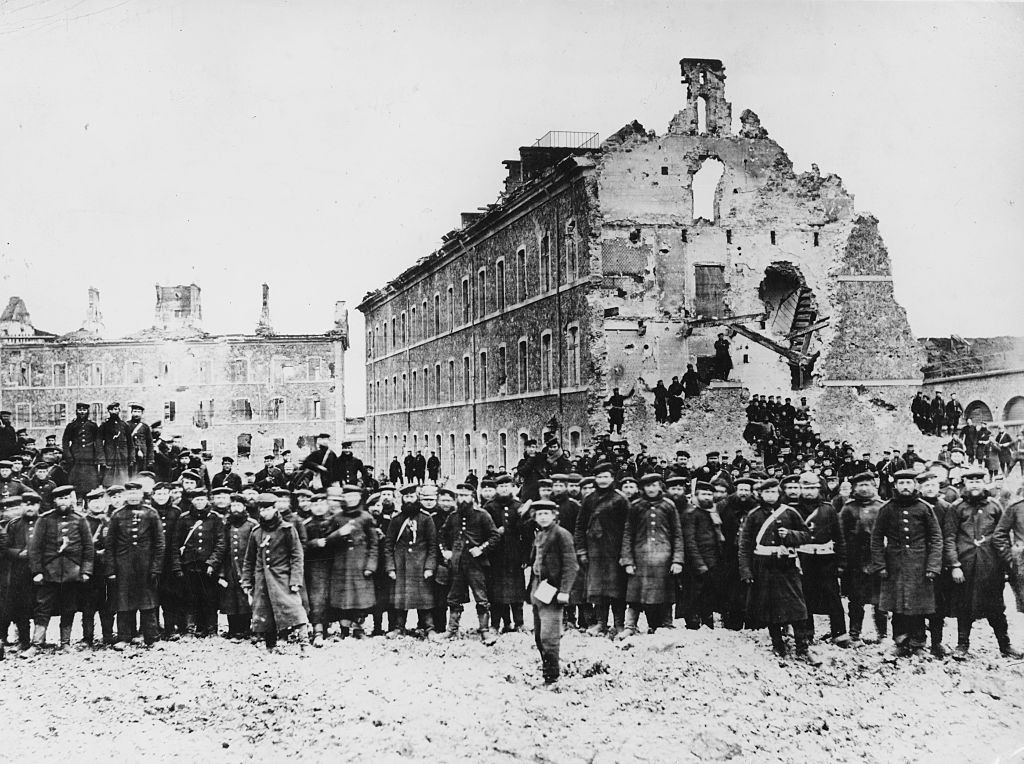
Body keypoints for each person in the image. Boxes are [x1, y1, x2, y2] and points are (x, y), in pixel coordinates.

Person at [738, 479, 816, 662]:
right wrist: (746, 571)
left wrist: (790, 535)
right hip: (764, 567)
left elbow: (806, 535)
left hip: (787, 567)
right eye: (766, 492)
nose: (770, 495)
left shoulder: (790, 512)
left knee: (797, 606)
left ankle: (802, 647)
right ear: (760, 495)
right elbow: (745, 546)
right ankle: (777, 644)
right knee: (770, 608)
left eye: (773, 492)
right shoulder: (754, 515)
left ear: (778, 493)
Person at [947, 469, 1021, 660]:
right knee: (965, 606)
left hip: (991, 567)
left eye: (978, 481)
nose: (974, 484)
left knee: (996, 607)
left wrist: (1006, 565)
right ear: (964, 483)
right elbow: (949, 537)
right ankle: (962, 645)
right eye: (970, 481)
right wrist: (954, 564)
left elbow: (1004, 534)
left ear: (984, 482)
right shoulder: (957, 508)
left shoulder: (994, 506)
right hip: (965, 566)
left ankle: (1005, 646)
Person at [868, 470, 942, 659]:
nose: (905, 487)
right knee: (897, 605)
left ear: (915, 485)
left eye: (909, 483)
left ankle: (918, 643)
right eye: (901, 483)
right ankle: (900, 642)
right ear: (895, 486)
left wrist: (933, 566)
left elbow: (936, 537)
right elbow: (876, 539)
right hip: (894, 565)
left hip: (920, 564)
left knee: (918, 606)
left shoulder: (924, 508)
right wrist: (880, 565)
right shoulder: (887, 509)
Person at [28, 485, 94, 653]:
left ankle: (65, 643)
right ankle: (36, 644)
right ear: (54, 501)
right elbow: (35, 549)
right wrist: (37, 571)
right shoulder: (44, 519)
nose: (63, 502)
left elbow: (88, 548)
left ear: (70, 500)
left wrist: (85, 570)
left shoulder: (80, 519)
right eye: (60, 499)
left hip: (72, 572)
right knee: (43, 607)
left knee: (69, 607)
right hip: (49, 571)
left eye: (66, 498)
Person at [618, 473, 683, 637]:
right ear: (643, 488)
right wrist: (627, 560)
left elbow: (677, 534)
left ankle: (666, 625)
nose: (652, 489)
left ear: (660, 486)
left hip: (664, 559)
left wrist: (677, 560)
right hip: (641, 559)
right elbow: (627, 534)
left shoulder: (669, 506)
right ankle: (630, 627)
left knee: (665, 594)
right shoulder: (636, 506)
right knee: (635, 594)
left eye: (655, 485)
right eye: (648, 486)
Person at [242, 494, 309, 652]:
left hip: (283, 577)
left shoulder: (287, 529)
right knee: (265, 610)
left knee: (294, 608)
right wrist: (246, 581)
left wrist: (295, 580)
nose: (264, 513)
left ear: (274, 509)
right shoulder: (256, 532)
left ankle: (304, 643)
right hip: (262, 579)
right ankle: (270, 646)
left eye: (268, 509)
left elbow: (297, 556)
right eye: (262, 509)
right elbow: (249, 559)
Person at [438, 483, 500, 644]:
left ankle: (484, 631)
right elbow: (441, 536)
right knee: (454, 597)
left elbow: (494, 536)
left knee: (481, 597)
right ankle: (451, 630)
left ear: (472, 497)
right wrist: (446, 551)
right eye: (460, 496)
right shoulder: (453, 516)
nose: (462, 499)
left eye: (466, 495)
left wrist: (481, 549)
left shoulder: (482, 515)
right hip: (457, 563)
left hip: (476, 564)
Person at [574, 463, 630, 637]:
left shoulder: (620, 499)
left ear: (612, 478)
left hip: (615, 551)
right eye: (599, 477)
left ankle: (619, 624)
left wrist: (625, 553)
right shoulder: (589, 499)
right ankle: (601, 624)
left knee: (617, 590)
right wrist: (582, 550)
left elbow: (629, 528)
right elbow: (580, 526)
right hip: (595, 551)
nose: (603, 480)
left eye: (606, 476)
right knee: (598, 590)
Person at [795, 472, 850, 647]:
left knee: (833, 595)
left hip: (826, 559)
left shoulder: (828, 509)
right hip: (803, 559)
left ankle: (839, 633)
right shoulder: (793, 509)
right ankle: (806, 634)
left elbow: (839, 537)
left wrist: (841, 562)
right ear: (801, 489)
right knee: (804, 596)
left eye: (813, 488)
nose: (809, 492)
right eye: (806, 488)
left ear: (819, 489)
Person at [107, 482, 165, 648]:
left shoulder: (151, 513)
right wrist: (111, 569)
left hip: (145, 566)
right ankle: (124, 637)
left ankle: (151, 638)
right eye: (130, 493)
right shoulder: (117, 515)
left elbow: (160, 543)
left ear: (141, 494)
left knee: (148, 603)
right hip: (123, 566)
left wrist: (156, 567)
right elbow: (110, 545)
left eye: (136, 493)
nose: (133, 496)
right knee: (123, 602)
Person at [527, 499, 578, 685]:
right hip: (539, 591)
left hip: (554, 592)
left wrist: (564, 591)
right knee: (539, 636)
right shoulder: (540, 534)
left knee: (549, 637)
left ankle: (552, 677)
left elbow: (571, 566)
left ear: (554, 515)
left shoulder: (562, 535)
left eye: (546, 513)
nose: (542, 517)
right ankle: (547, 671)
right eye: (539, 514)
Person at [839, 472, 888, 643]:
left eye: (867, 484)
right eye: (860, 485)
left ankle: (882, 635)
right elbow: (841, 535)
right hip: (855, 561)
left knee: (880, 600)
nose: (864, 488)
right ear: (854, 488)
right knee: (855, 599)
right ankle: (854, 633)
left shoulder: (882, 507)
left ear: (874, 486)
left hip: (878, 559)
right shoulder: (848, 508)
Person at [384, 484, 438, 637]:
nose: (409, 500)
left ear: (417, 498)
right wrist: (390, 568)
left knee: (424, 599)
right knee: (401, 599)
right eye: (406, 497)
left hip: (420, 566)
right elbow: (388, 545)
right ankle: (398, 628)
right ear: (402, 499)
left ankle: (429, 628)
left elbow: (433, 546)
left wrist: (429, 567)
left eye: (412, 497)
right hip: (401, 565)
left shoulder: (426, 519)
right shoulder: (396, 520)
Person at [326, 484, 378, 638]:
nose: (351, 500)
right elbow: (328, 540)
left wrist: (371, 565)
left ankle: (358, 628)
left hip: (360, 564)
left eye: (354, 496)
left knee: (359, 598)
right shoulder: (337, 518)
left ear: (360, 498)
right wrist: (339, 533)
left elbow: (374, 543)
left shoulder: (366, 517)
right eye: (348, 496)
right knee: (343, 598)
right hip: (341, 564)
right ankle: (343, 630)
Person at [916, 471, 956, 657]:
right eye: (925, 486)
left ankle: (936, 642)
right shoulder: (916, 506)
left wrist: (948, 562)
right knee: (918, 603)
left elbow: (949, 535)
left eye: (933, 485)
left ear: (938, 487)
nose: (930, 488)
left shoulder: (946, 507)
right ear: (920, 488)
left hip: (939, 563)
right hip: (917, 562)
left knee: (938, 605)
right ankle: (917, 641)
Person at [176, 489, 225, 637]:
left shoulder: (215, 518)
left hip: (207, 566)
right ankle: (191, 630)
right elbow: (176, 542)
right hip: (190, 564)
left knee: (210, 598)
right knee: (190, 597)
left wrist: (212, 563)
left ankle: (211, 630)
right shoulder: (184, 518)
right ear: (191, 501)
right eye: (196, 500)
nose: (199, 502)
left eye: (202, 499)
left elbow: (221, 543)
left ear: (207, 500)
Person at [484, 474, 527, 633]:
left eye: (507, 486)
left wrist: (525, 557)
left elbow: (526, 534)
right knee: (496, 593)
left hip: (514, 556)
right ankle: (496, 624)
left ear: (512, 488)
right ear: (496, 488)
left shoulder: (518, 506)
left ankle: (519, 623)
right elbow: (484, 531)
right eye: (500, 486)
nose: (504, 489)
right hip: (496, 557)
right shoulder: (489, 507)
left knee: (517, 592)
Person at [680, 480, 723, 630]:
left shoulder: (712, 513)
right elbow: (690, 541)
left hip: (713, 561)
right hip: (696, 563)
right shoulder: (691, 514)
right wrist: (699, 564)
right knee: (694, 594)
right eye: (703, 494)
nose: (707, 497)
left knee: (709, 593)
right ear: (696, 496)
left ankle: (707, 622)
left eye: (710, 494)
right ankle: (692, 624)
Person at [1, 492, 41, 655]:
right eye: (26, 504)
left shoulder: (44, 523)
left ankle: (40, 641)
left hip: (41, 571)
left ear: (38, 506)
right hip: (20, 573)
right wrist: (19, 553)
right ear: (23, 506)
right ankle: (23, 641)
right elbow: (4, 549)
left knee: (42, 606)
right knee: (21, 607)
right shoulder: (14, 525)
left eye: (33, 504)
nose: (30, 507)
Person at [718, 477, 757, 630]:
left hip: (750, 554)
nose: (743, 493)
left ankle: (752, 623)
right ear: (736, 490)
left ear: (751, 492)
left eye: (747, 490)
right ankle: (732, 623)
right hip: (730, 553)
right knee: (731, 588)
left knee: (750, 587)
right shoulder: (725, 506)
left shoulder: (756, 507)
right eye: (741, 490)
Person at [80, 487, 115, 648]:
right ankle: (87, 637)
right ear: (88, 504)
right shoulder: (83, 521)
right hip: (90, 569)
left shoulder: (109, 520)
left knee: (107, 605)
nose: (97, 505)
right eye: (93, 502)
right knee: (89, 605)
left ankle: (108, 635)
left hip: (106, 569)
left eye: (100, 501)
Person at [219, 492, 255, 640]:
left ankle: (245, 629)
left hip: (246, 568)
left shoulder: (252, 525)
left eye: (238, 505)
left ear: (244, 507)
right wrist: (221, 573)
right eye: (233, 505)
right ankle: (233, 629)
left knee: (244, 599)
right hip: (230, 568)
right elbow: (222, 549)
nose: (235, 508)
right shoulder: (226, 525)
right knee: (230, 599)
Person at [303, 489, 337, 646]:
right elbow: (300, 545)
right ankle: (317, 631)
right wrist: (314, 543)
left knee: (332, 596)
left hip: (334, 564)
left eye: (321, 503)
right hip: (315, 566)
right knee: (317, 598)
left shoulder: (334, 522)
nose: (318, 507)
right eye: (315, 504)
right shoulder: (306, 525)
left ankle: (331, 627)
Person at [62, 403, 102, 497]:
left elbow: (98, 441)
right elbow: (65, 442)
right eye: (80, 410)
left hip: (90, 458)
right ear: (77, 411)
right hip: (76, 458)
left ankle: (89, 500)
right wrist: (68, 456)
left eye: (84, 410)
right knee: (76, 481)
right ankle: (78, 500)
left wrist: (97, 456)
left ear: (87, 411)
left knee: (91, 481)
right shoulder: (71, 426)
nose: (82, 412)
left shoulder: (93, 425)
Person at [99, 403, 133, 488]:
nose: (114, 411)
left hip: (122, 457)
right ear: (109, 411)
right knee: (108, 483)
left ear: (119, 411)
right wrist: (102, 459)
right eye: (112, 409)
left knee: (123, 482)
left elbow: (130, 443)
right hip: (109, 457)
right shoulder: (104, 425)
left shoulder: (124, 425)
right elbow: (98, 443)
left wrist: (131, 458)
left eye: (116, 409)